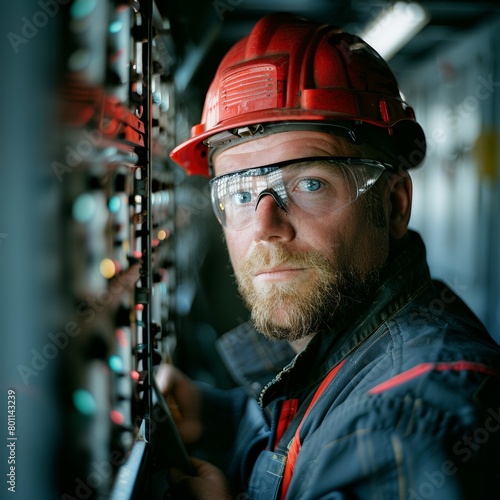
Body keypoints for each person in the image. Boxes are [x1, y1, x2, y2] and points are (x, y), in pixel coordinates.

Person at [158, 12, 500, 499]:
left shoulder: (406, 427)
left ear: (395, 203)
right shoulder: (350, 345)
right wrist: (212, 415)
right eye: (238, 193)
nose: (265, 228)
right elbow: (319, 417)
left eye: (309, 183)